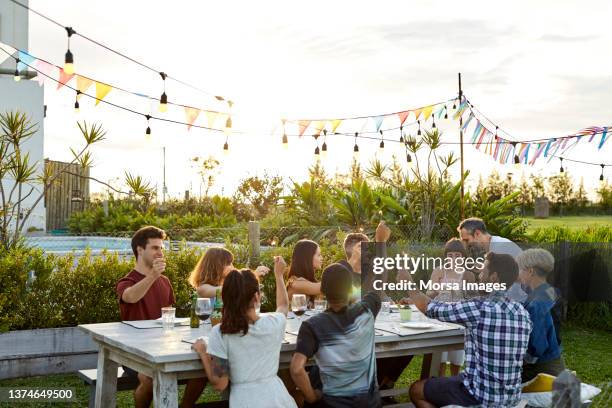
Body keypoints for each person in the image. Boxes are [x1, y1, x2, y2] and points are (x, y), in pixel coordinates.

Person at [406, 252, 532, 408]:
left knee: (416, 390)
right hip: (510, 396)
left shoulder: (480, 308)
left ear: (493, 277)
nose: (479, 275)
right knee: (452, 379)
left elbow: (429, 307)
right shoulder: (522, 312)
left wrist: (408, 282)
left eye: (483, 271)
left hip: (479, 395)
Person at [116, 226, 204, 408]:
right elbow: (130, 296)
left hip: (163, 348)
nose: (160, 252)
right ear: (140, 250)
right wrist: (153, 275)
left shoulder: (164, 282)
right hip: (134, 352)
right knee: (149, 376)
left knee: (203, 367)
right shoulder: (128, 281)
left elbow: (168, 316)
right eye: (155, 248)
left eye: (161, 248)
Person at [192, 257, 297, 408]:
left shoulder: (221, 333)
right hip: (279, 399)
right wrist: (279, 275)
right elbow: (283, 306)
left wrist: (203, 351)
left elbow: (220, 383)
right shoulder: (274, 323)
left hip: (245, 401)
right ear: (256, 297)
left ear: (224, 298)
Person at [290, 263, 382, 408]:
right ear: (350, 289)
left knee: (313, 383)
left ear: (322, 291)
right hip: (370, 404)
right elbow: (373, 290)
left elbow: (296, 369)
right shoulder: (367, 310)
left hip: (332, 404)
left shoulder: (312, 326)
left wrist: (312, 397)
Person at [340, 222, 410, 396]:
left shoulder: (367, 270)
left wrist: (391, 302)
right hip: (352, 335)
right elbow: (377, 285)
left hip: (375, 328)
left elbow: (380, 291)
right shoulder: (341, 271)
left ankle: (386, 385)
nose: (368, 252)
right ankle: (374, 387)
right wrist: (380, 243)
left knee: (407, 345)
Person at [425, 238, 475, 377]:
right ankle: (439, 379)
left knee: (457, 354)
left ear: (463, 257)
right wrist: (438, 288)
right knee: (441, 354)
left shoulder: (467, 274)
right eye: (450, 255)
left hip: (458, 316)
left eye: (457, 255)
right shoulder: (439, 271)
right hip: (440, 315)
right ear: (446, 257)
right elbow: (429, 294)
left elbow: (472, 298)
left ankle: (454, 378)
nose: (453, 258)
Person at [517, 248, 565, 382]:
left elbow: (538, 345)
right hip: (555, 357)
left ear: (531, 271)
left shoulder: (536, 304)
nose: (518, 274)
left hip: (541, 368)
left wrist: (523, 361)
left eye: (520, 269)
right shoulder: (551, 291)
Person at [458, 217, 526, 302]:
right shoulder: (494, 245)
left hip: (514, 301)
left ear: (477, 233)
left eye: (467, 240)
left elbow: (511, 278)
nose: (466, 245)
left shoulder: (500, 248)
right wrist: (484, 269)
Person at [188, 247, 269, 297]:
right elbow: (226, 290)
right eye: (228, 263)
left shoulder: (228, 283)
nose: (232, 267)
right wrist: (253, 275)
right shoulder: (203, 288)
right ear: (215, 266)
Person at [287, 239, 323, 307]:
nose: (322, 258)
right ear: (308, 258)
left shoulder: (308, 281)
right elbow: (324, 287)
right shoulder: (295, 283)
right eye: (319, 255)